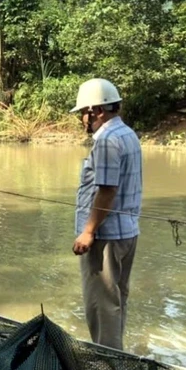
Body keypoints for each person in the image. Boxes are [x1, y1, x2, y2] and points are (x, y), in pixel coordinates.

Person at [71, 78, 143, 351]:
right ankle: (116, 363)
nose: (82, 119)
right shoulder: (128, 134)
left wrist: (88, 231)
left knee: (101, 307)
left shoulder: (107, 141)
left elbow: (107, 191)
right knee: (116, 303)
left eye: (83, 113)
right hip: (126, 234)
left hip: (106, 237)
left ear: (97, 111)